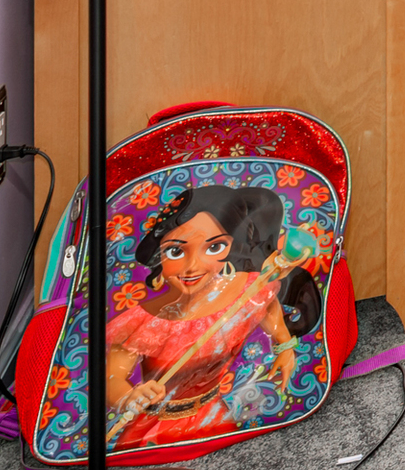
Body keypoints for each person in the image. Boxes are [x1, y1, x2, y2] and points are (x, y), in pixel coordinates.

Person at [102, 184, 315, 449]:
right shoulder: (143, 320)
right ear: (159, 256)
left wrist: (284, 345)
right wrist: (129, 396)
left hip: (214, 418)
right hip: (155, 428)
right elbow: (110, 377)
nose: (193, 266)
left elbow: (265, 303)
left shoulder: (243, 292)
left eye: (214, 247)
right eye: (175, 251)